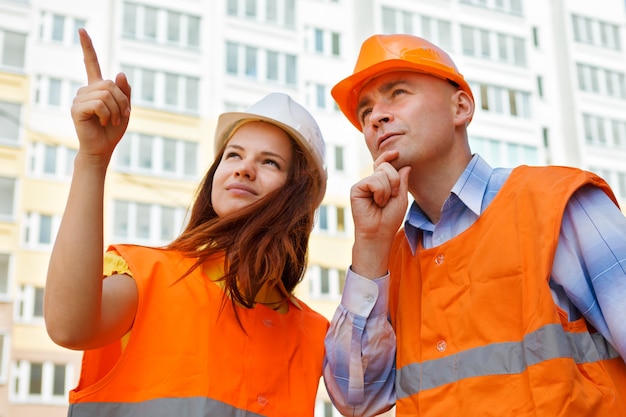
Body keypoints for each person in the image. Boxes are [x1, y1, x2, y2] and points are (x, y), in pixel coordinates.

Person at [323, 33, 626, 416]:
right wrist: (369, 245)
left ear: (461, 107)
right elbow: (356, 399)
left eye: (398, 93)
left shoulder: (554, 203)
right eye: (365, 112)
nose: (376, 118)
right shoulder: (389, 260)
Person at [44, 28, 329, 417]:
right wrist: (93, 159)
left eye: (269, 162)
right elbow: (69, 327)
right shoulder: (150, 277)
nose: (244, 169)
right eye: (233, 155)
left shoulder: (315, 335)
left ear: (301, 194)